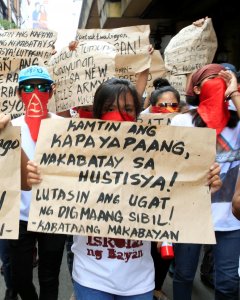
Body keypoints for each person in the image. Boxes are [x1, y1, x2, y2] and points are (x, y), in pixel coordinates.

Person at [27, 76, 221, 300]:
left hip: (138, 282)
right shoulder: (75, 155)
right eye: (109, 108)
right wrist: (37, 176)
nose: (118, 116)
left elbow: (173, 215)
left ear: (138, 113)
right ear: (97, 112)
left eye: (127, 108)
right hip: (91, 277)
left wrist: (202, 189)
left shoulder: (158, 158)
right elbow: (55, 201)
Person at [171, 64, 240, 300]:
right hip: (192, 214)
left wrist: (234, 94)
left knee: (229, 282)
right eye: (213, 77)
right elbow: (170, 166)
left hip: (230, 218)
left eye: (226, 77)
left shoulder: (237, 122)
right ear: (198, 88)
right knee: (183, 275)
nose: (220, 79)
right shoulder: (181, 122)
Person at [9, 66, 66, 300]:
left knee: (49, 276)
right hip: (19, 217)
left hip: (54, 214)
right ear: (19, 92)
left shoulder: (65, 127)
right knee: (20, 278)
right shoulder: (9, 127)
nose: (36, 92)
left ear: (51, 92)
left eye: (42, 87)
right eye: (29, 87)